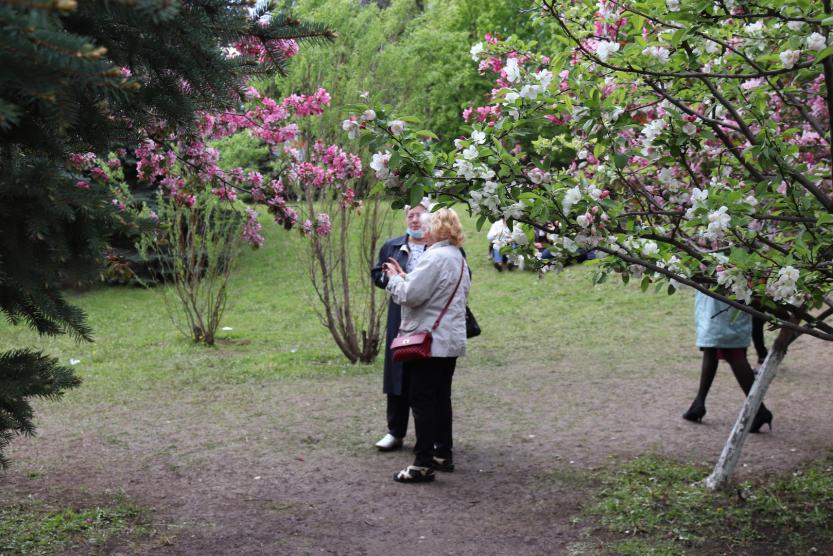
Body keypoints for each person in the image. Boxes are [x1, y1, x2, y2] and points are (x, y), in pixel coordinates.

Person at [383, 208, 471, 483]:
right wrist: (405, 276)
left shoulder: (434, 257)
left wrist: (395, 279)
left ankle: (422, 464)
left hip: (429, 343)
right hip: (449, 341)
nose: (422, 226)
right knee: (440, 399)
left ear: (437, 228)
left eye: (428, 223)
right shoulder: (457, 257)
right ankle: (443, 454)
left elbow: (411, 296)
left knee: (421, 401)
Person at [370, 199, 431, 451]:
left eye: (418, 215)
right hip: (400, 317)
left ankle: (428, 435)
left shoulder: (439, 248)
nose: (414, 220)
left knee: (426, 378)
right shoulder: (393, 246)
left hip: (429, 318)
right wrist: (390, 278)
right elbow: (377, 274)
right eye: (410, 215)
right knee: (397, 375)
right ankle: (395, 431)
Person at [682, 291, 773, 432]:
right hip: (715, 294)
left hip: (727, 291)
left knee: (731, 350)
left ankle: (759, 410)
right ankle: (698, 403)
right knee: (711, 344)